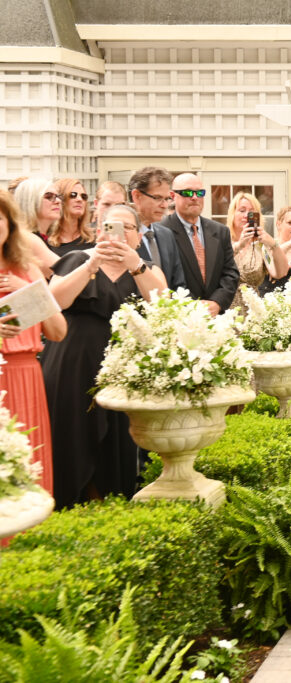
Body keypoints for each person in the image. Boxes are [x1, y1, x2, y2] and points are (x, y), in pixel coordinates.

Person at [43, 204, 166, 509]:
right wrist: (90, 266)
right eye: (112, 227)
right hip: (73, 364)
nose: (120, 234)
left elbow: (163, 305)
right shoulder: (77, 260)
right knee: (71, 436)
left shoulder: (147, 268)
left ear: (138, 236)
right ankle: (66, 507)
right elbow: (54, 301)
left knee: (118, 441)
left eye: (127, 228)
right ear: (99, 232)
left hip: (123, 369)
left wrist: (136, 266)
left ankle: (113, 506)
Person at [0, 189, 67, 495]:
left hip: (28, 377)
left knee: (31, 463)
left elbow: (57, 331)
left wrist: (27, 290)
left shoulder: (25, 267)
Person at [159, 173, 239, 316]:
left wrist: (217, 302)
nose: (194, 197)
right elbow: (163, 278)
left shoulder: (220, 232)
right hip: (179, 319)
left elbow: (230, 273)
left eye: (199, 192)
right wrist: (192, 306)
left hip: (215, 319)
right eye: (187, 192)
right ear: (172, 196)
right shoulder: (161, 231)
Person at [225, 192, 288, 310]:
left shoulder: (261, 247)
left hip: (252, 312)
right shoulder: (222, 242)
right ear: (233, 214)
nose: (246, 215)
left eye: (251, 212)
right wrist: (239, 245)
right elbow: (215, 266)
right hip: (225, 311)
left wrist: (273, 245)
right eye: (242, 210)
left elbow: (280, 272)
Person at [128, 167, 187, 292]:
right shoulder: (124, 236)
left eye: (167, 199)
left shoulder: (166, 235)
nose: (164, 205)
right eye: (157, 198)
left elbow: (178, 285)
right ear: (137, 196)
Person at [12, 178, 60, 277]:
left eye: (58, 196)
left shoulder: (38, 237)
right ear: (30, 201)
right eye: (49, 196)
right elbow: (65, 273)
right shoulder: (28, 238)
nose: (58, 201)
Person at [48, 177, 94, 256]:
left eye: (83, 196)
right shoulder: (45, 240)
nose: (79, 199)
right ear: (59, 199)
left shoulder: (93, 238)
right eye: (73, 195)